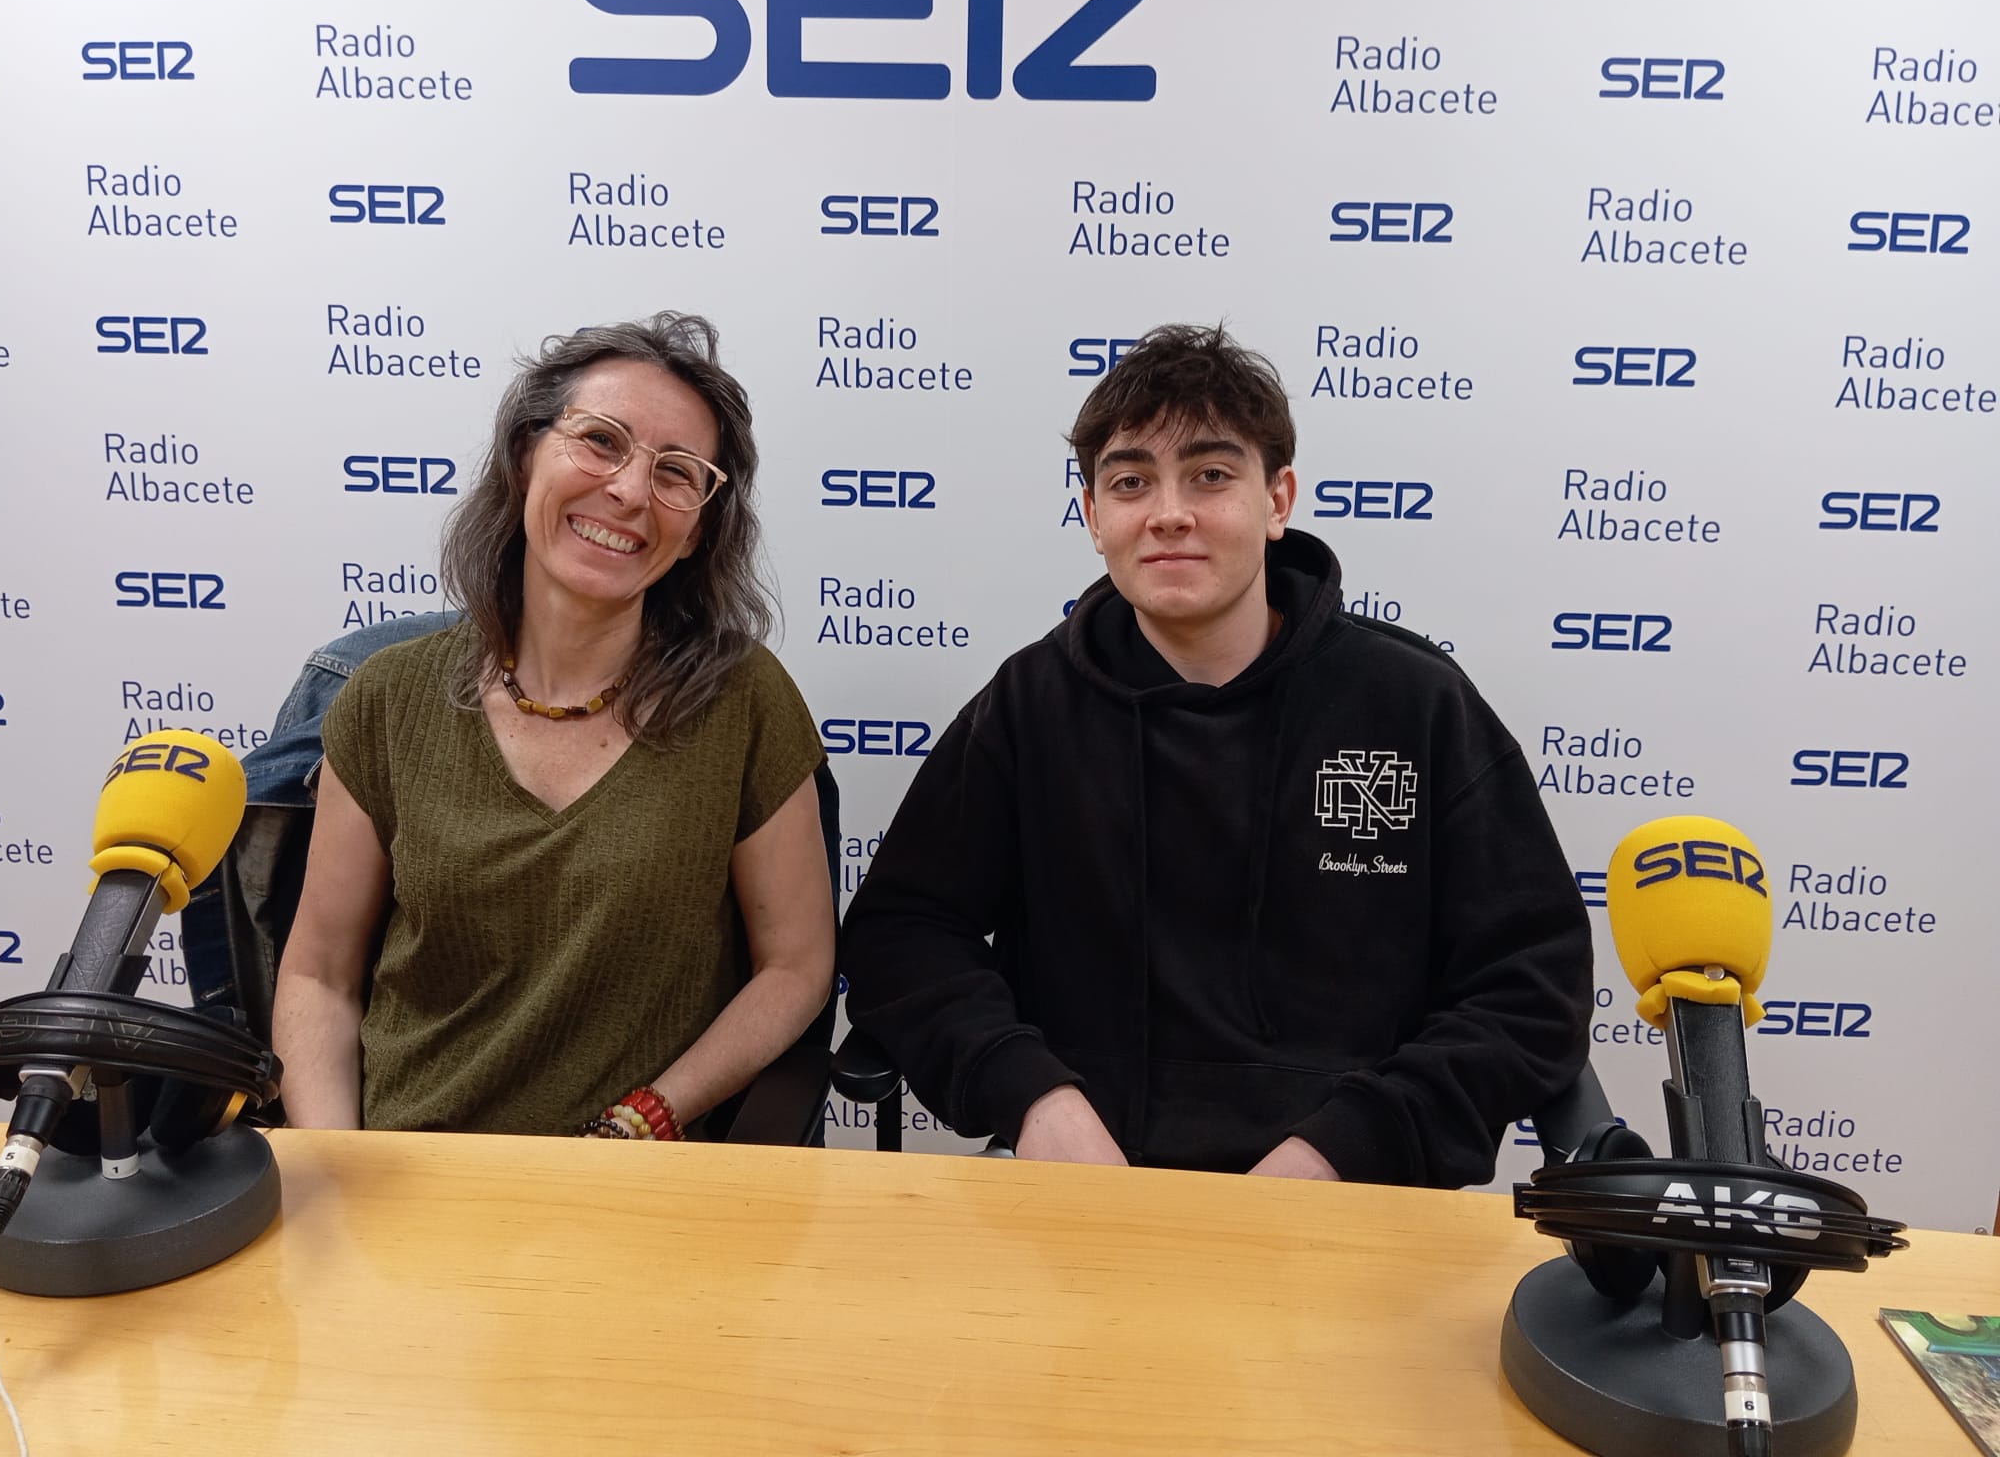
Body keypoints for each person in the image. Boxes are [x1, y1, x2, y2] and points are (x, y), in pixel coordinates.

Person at [839, 323, 1592, 1185]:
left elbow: (1532, 983)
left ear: (1278, 501)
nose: (1168, 512)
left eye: (1210, 475)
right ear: (1091, 516)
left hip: (1355, 1196)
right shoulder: (1030, 703)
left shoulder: (1415, 704)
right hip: (1093, 1190)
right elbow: (903, 933)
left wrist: (1353, 1144)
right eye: (1130, 482)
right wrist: (1034, 1097)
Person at [272, 314, 833, 1138]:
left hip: (635, 1190)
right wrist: (337, 1169)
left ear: (697, 532)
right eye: (601, 441)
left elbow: (796, 966)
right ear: (524, 456)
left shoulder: (745, 701)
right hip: (410, 1180)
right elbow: (319, 975)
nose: (632, 491)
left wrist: (650, 1116)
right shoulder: (385, 697)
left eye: (679, 474)